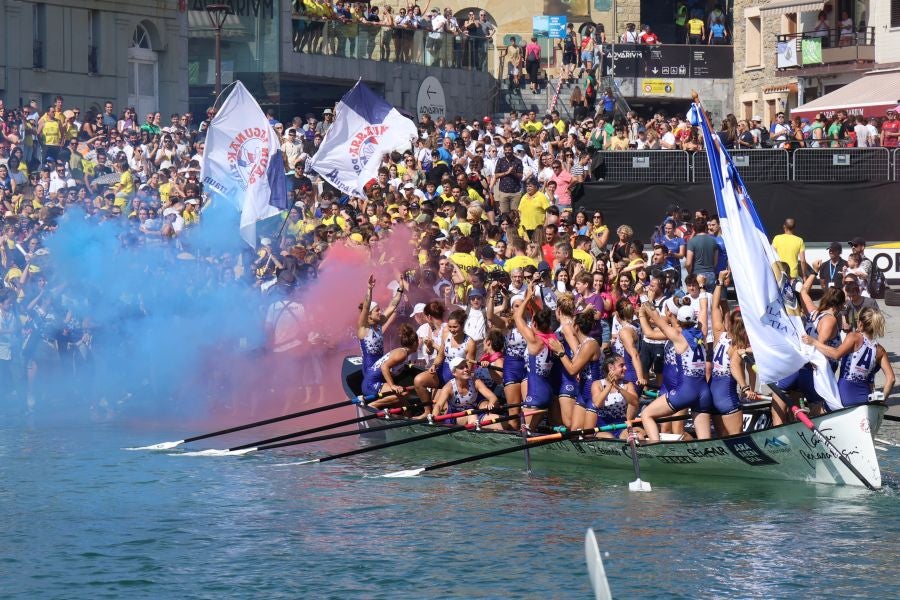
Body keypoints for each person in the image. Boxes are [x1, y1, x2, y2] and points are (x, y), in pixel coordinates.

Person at [639, 303, 712, 441]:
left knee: (646, 414)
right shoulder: (702, 335)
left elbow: (656, 318)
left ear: (678, 321)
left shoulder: (678, 337)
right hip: (704, 392)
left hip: (686, 391)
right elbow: (703, 312)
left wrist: (644, 299)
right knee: (705, 441)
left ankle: (655, 447)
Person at [803, 308, 893, 408]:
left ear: (860, 324)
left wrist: (814, 342)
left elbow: (836, 354)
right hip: (866, 397)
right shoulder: (880, 350)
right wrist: (882, 399)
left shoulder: (853, 337)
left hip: (845, 394)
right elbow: (891, 379)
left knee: (819, 407)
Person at [709, 270, 754, 436]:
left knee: (722, 441)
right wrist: (745, 387)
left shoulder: (718, 333)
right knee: (736, 440)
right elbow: (734, 365)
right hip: (727, 396)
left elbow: (714, 307)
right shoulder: (737, 346)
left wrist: (719, 282)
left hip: (712, 394)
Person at [548, 308, 602, 431]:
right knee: (575, 430)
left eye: (572, 323)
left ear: (576, 327)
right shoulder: (581, 344)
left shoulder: (590, 344)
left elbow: (572, 370)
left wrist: (561, 352)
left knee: (587, 434)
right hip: (583, 391)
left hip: (592, 392)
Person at [513, 283, 556, 430]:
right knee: (532, 432)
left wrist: (526, 298)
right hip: (547, 391)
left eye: (532, 322)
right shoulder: (551, 335)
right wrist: (531, 299)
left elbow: (517, 316)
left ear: (535, 324)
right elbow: (540, 315)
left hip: (535, 392)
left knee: (524, 433)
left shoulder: (533, 340)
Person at [412, 308, 476, 407]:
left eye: (455, 327)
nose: (452, 329)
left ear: (462, 326)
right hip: (442, 370)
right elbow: (441, 355)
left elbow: (468, 369)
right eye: (450, 326)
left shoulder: (470, 343)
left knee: (439, 406)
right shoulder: (446, 334)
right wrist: (434, 365)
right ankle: (426, 412)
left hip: (457, 378)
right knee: (418, 380)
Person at [430, 356, 503, 428]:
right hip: (455, 417)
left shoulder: (475, 381)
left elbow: (492, 397)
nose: (466, 369)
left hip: (474, 414)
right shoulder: (449, 387)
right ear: (454, 373)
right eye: (461, 368)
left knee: (502, 422)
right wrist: (433, 420)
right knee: (471, 415)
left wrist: (490, 404)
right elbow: (438, 406)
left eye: (466, 366)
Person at [360, 323, 419, 408]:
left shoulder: (401, 352)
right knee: (403, 393)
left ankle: (407, 418)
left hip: (373, 382)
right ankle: (371, 406)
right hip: (371, 384)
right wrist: (392, 386)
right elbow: (384, 366)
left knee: (404, 403)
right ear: (414, 343)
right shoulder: (402, 354)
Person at [357, 275, 404, 374]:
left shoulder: (379, 323)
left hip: (381, 366)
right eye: (377, 311)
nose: (380, 312)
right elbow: (366, 307)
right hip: (369, 369)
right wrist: (369, 289)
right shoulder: (363, 327)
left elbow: (392, 305)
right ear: (369, 314)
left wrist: (400, 288)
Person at [589, 355, 639, 438]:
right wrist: (608, 387)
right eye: (621, 365)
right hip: (602, 426)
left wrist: (618, 388)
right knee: (609, 437)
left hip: (621, 426)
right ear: (611, 367)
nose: (625, 368)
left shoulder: (628, 385)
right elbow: (597, 403)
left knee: (637, 436)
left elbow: (635, 402)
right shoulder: (597, 384)